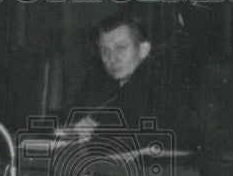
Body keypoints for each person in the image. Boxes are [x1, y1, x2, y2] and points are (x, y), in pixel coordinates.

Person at [64, 12, 192, 145]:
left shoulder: (163, 86)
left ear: (143, 50)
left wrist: (96, 133)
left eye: (121, 48)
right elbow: (70, 118)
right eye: (105, 51)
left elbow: (157, 137)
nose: (112, 59)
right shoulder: (99, 84)